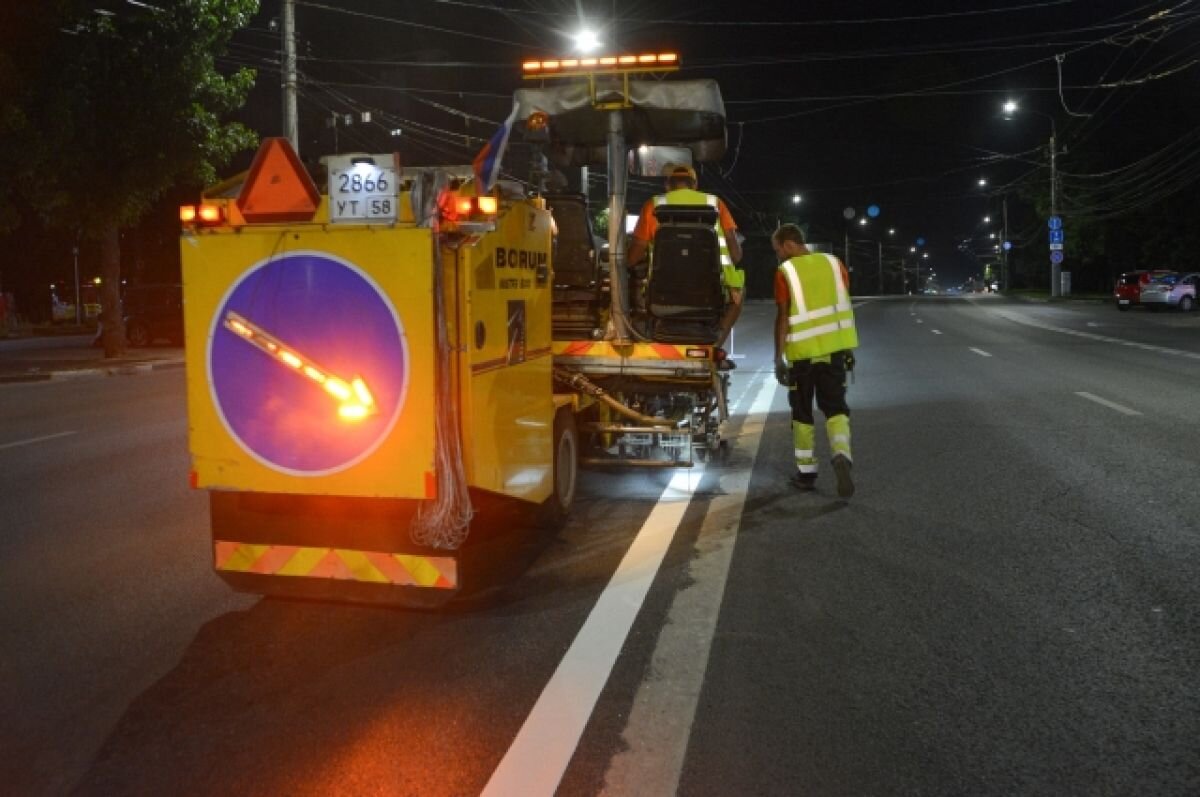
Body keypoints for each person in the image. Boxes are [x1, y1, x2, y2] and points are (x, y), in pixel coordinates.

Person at [772, 223, 858, 498]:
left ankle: (806, 474)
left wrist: (778, 357)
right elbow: (842, 302)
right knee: (836, 409)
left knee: (802, 414)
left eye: (778, 250)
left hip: (802, 356)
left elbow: (783, 316)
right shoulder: (835, 265)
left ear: (788, 244)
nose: (778, 256)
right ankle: (841, 453)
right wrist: (846, 348)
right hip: (834, 351)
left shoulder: (786, 272)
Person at [627, 164, 744, 358]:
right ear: (695, 184)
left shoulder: (653, 204)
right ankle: (715, 345)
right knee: (739, 295)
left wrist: (626, 266)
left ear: (667, 185)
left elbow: (636, 253)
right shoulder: (715, 203)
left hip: (661, 292)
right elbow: (736, 254)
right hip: (710, 292)